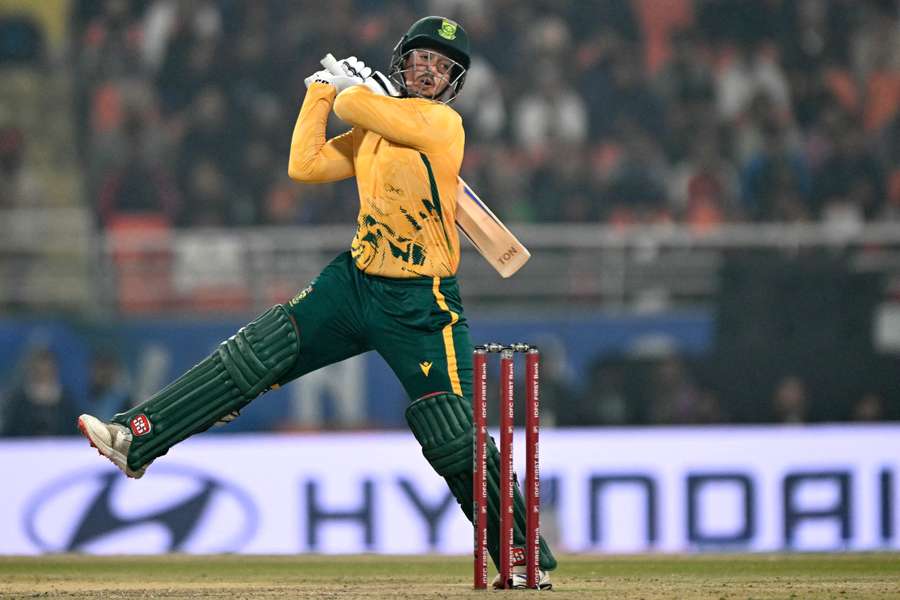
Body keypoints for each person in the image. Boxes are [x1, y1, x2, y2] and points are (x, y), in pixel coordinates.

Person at [76, 16, 556, 589]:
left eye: (443, 67)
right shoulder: (374, 124)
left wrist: (350, 92)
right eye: (422, 59)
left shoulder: (442, 124)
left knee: (450, 431)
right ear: (403, 60)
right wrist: (320, 92)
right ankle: (136, 437)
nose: (430, 71)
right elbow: (303, 165)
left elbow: (363, 110)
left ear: (454, 82)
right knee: (256, 353)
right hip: (353, 281)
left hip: (421, 301)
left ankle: (521, 555)